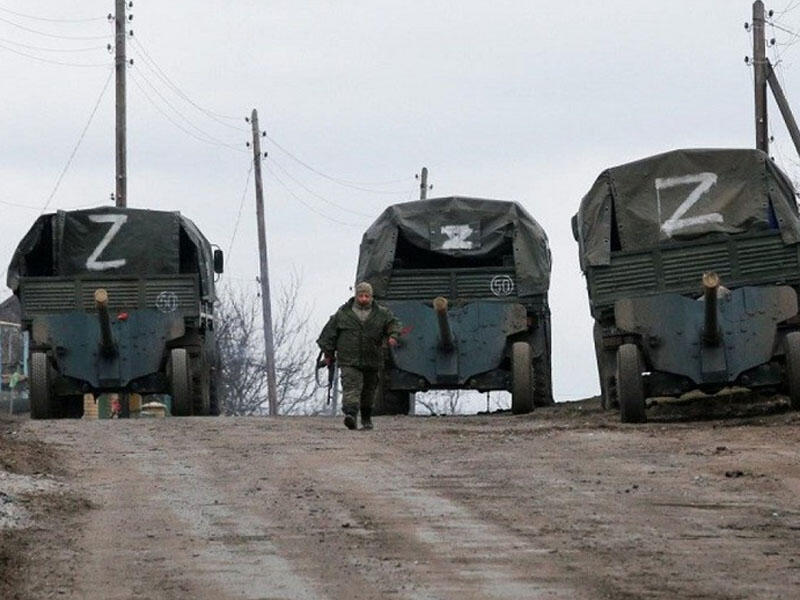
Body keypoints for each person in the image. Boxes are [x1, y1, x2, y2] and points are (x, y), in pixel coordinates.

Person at [317, 282, 400, 430]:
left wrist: (393, 335)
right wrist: (328, 354)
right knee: (351, 386)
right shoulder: (343, 314)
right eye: (361, 296)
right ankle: (351, 415)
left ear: (371, 297)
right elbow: (328, 335)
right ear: (356, 296)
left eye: (366, 296)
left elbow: (394, 324)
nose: (363, 299)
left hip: (372, 358)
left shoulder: (381, 314)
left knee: (369, 390)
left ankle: (366, 418)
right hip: (349, 359)